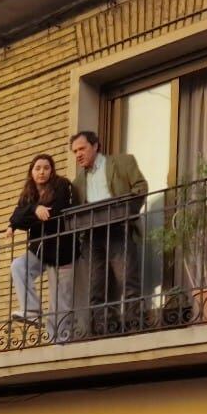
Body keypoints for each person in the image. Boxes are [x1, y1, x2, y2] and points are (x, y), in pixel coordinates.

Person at [69, 131, 148, 334]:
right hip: (92, 236)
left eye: (82, 148)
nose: (78, 154)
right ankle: (105, 328)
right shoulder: (77, 183)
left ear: (96, 146)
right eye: (75, 151)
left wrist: (126, 211)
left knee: (127, 279)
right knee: (96, 286)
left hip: (118, 228)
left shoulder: (122, 163)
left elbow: (140, 187)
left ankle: (133, 324)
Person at [8, 152, 77, 342]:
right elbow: (16, 216)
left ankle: (59, 341)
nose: (42, 172)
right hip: (40, 250)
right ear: (31, 172)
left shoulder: (62, 185)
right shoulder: (29, 194)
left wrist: (29, 218)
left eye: (46, 168)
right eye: (37, 168)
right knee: (18, 266)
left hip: (61, 250)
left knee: (59, 299)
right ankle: (31, 309)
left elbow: (55, 212)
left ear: (52, 171)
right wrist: (34, 210)